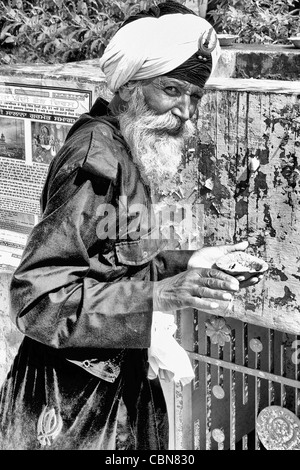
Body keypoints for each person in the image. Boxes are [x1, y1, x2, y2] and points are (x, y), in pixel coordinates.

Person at [0, 1, 264, 450]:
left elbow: (110, 260)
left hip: (116, 384)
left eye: (194, 96)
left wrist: (188, 260)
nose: (186, 111)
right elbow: (36, 298)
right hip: (72, 405)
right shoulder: (96, 159)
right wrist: (160, 295)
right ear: (128, 86)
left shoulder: (129, 143)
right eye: (171, 90)